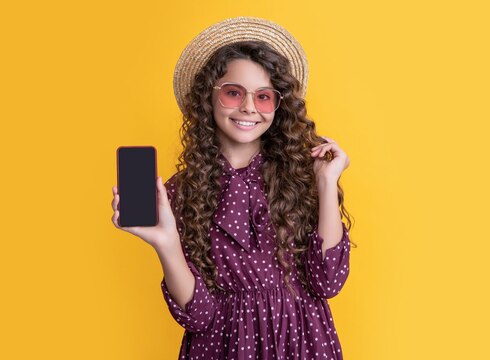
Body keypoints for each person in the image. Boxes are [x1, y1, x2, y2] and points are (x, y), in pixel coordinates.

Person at [110, 17, 355, 359]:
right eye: (233, 92)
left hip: (303, 343)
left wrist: (327, 183)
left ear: (278, 105)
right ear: (207, 99)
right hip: (223, 347)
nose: (249, 108)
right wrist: (166, 243)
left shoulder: (302, 176)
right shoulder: (181, 192)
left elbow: (328, 281)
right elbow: (199, 316)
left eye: (264, 96)